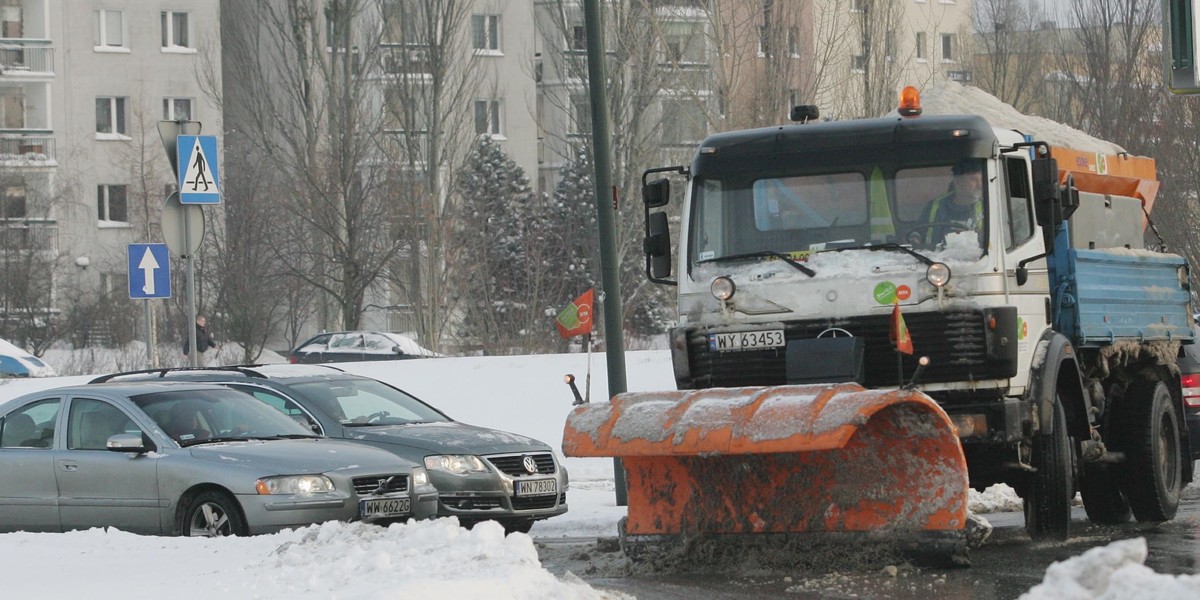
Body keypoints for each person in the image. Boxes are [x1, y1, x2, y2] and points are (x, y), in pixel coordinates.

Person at [909, 158, 985, 248]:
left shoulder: (988, 206)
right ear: (957, 182)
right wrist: (914, 239)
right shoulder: (935, 206)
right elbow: (917, 232)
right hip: (933, 260)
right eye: (973, 180)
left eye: (981, 179)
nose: (980, 185)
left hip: (974, 261)